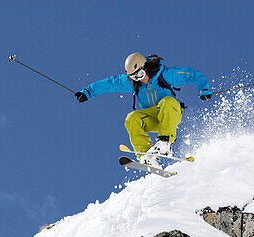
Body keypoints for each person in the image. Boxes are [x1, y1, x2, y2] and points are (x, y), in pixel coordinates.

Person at [75, 53, 211, 166]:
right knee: (131, 118)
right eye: (134, 77)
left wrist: (203, 88)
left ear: (145, 68)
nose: (139, 79)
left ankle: (165, 143)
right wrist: (87, 92)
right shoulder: (134, 83)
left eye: (140, 74)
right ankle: (146, 156)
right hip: (153, 118)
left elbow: (191, 74)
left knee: (167, 102)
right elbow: (110, 83)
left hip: (171, 113)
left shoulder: (165, 75)